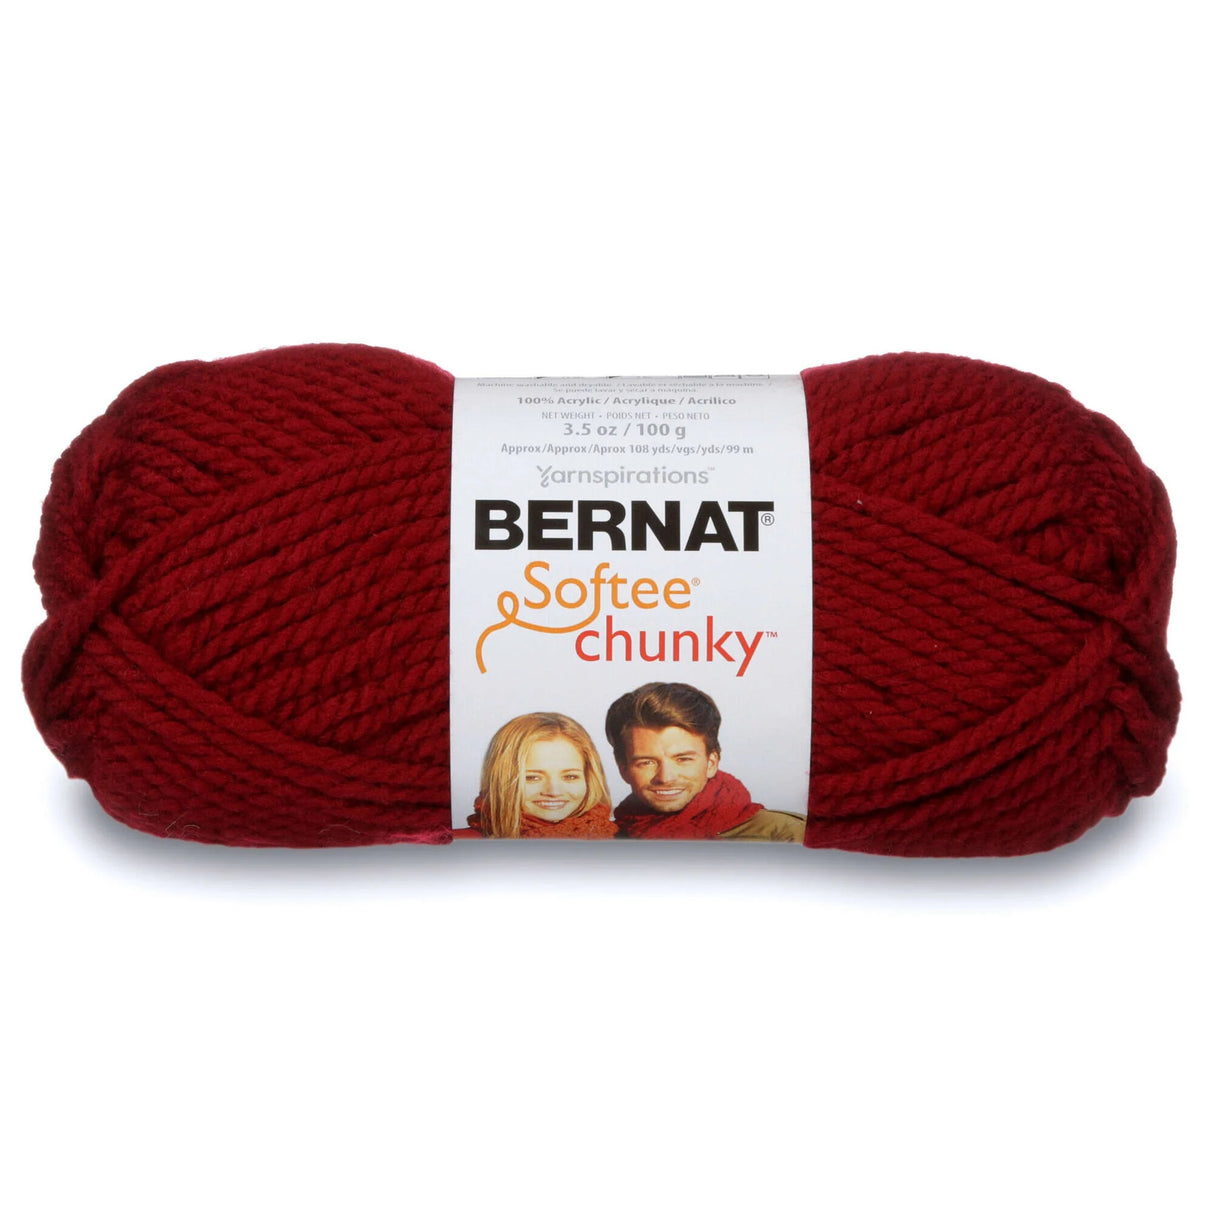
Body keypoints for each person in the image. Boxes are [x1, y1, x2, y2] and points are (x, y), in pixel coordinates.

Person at [604, 682, 806, 841]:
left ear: (711, 763)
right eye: (646, 762)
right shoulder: (607, 840)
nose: (666, 777)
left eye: (683, 759)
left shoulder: (787, 835)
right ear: (623, 769)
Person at [464, 712, 616, 839]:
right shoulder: (464, 845)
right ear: (501, 780)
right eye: (532, 778)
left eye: (570, 777)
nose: (554, 792)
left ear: (588, 778)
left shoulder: (617, 838)